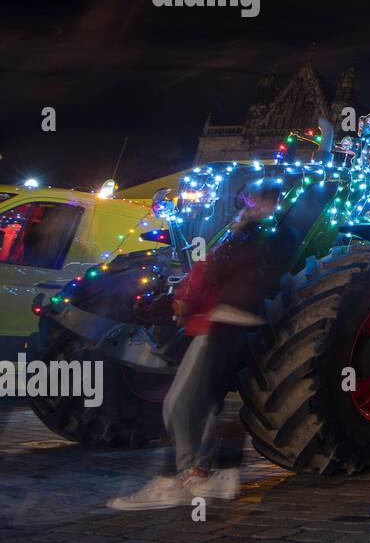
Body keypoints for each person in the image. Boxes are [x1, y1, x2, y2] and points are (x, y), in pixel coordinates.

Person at [108, 184, 293, 511]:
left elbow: (213, 270)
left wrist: (186, 299)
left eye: (256, 198)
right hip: (229, 321)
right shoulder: (260, 236)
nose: (249, 203)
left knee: (181, 403)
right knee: (204, 403)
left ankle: (179, 479)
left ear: (267, 202)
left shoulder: (253, 236)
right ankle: (210, 475)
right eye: (249, 197)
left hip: (221, 321)